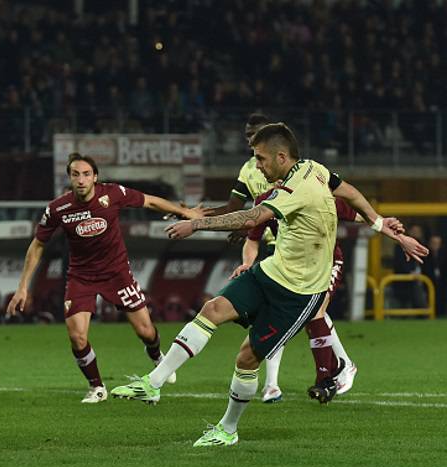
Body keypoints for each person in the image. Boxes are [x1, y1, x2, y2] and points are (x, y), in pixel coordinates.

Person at [111, 123, 428, 445]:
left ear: (281, 157)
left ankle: (228, 429)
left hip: (299, 291)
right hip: (271, 271)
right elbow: (351, 192)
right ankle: (153, 383)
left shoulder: (293, 190)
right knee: (213, 309)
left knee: (246, 358)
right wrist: (380, 224)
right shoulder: (314, 169)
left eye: (261, 159)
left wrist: (196, 225)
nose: (257, 166)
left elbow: (250, 218)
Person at [6, 152, 204, 403]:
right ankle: (97, 387)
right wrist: (23, 287)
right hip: (81, 277)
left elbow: (150, 201)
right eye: (75, 174)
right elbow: (37, 245)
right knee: (77, 336)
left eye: (86, 174)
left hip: (117, 273)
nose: (81, 179)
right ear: (69, 178)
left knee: (146, 331)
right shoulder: (57, 208)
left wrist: (184, 212)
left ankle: (156, 355)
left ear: (95, 177)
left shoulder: (112, 194)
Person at [230, 192, 427, 403]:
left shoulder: (316, 192)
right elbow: (252, 239)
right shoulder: (266, 201)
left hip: (328, 263)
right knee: (283, 316)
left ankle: (325, 378)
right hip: (294, 269)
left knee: (315, 312)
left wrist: (393, 232)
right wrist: (247, 264)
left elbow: (361, 215)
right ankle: (311, 374)